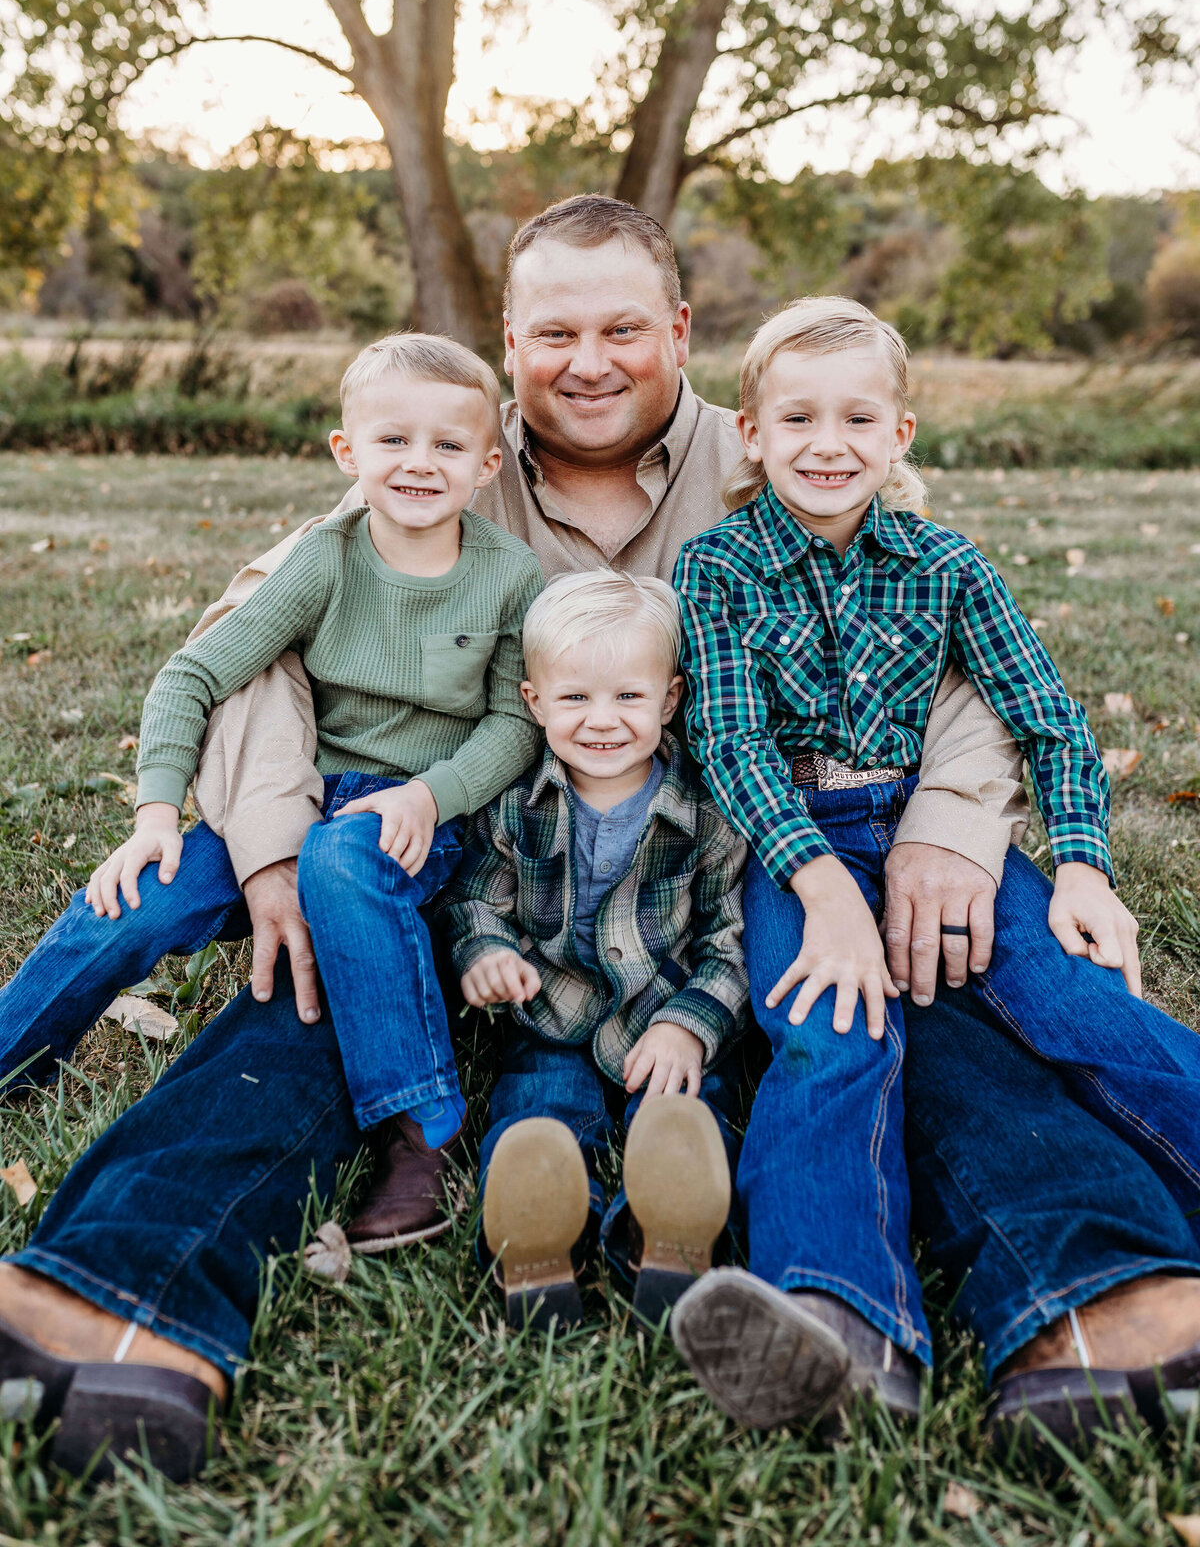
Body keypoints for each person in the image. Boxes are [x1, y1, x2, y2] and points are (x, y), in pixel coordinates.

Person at [0, 194, 1187, 1480]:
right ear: (508, 342)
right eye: (554, 330)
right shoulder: (446, 455)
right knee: (306, 997)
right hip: (478, 875)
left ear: (679, 330)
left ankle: (1094, 1280)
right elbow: (259, 644)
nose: (590, 359)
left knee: (909, 981)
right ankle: (132, 1285)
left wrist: (949, 829)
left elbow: (955, 660)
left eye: (625, 326)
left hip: (733, 883)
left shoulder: (784, 443)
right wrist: (276, 847)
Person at [0, 331, 544, 1478]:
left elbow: (515, 720)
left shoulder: (507, 576)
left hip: (413, 826)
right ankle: (16, 1044)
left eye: (448, 443)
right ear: (347, 449)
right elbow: (198, 672)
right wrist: (158, 812)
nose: (417, 462)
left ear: (489, 461)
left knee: (343, 896)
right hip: (286, 796)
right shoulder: (327, 555)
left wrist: (430, 796)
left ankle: (418, 1126)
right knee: (137, 905)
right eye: (391, 440)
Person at [668, 297, 1200, 1445]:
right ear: (750, 432)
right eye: (797, 416)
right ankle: (841, 1316)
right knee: (829, 1030)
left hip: (928, 821)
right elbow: (729, 742)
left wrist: (1085, 872)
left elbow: (1051, 724)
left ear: (901, 433)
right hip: (791, 840)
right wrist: (819, 892)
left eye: (859, 416)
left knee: (1080, 1008)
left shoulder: (947, 567)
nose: (828, 443)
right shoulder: (714, 568)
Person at [441, 571, 746, 1331]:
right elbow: (476, 895)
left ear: (670, 700)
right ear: (534, 702)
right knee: (538, 1121)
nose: (601, 721)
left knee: (683, 1120)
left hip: (663, 1020)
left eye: (628, 698)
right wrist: (485, 953)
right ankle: (537, 1249)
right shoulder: (516, 803)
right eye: (575, 698)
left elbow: (731, 936)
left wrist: (691, 1024)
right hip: (550, 1015)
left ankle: (665, 1243)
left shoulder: (706, 810)